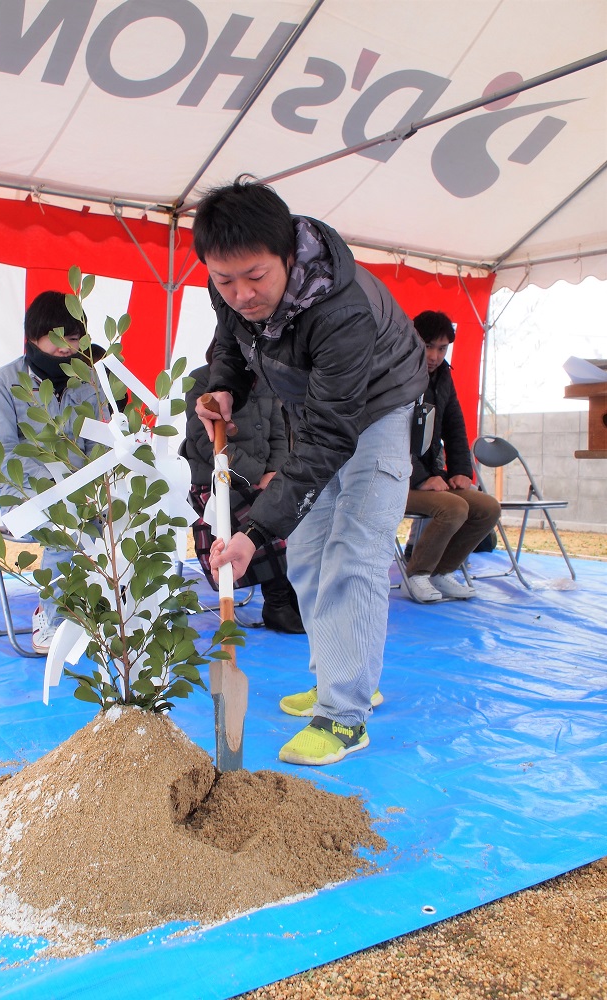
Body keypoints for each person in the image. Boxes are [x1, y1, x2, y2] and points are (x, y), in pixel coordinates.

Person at [192, 177, 427, 767]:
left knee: (355, 551)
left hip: (378, 405)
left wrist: (251, 533)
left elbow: (330, 437)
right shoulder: (232, 288)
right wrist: (224, 385)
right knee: (307, 551)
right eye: (224, 280)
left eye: (255, 277)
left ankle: (345, 713)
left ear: (287, 257)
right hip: (313, 406)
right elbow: (231, 340)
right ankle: (338, 678)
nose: (241, 294)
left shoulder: (340, 310)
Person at [0, 290, 106, 653]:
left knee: (123, 520)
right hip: (24, 494)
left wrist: (94, 486)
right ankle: (53, 622)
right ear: (33, 337)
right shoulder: (3, 383)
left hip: (83, 492)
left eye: (74, 338)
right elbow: (3, 453)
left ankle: (99, 615)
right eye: (58, 337)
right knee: (67, 526)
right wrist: (57, 485)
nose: (67, 347)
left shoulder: (89, 379)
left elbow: (97, 443)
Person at [182, 343, 304, 634]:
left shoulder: (267, 382)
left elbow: (279, 433)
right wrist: (257, 476)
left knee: (296, 507)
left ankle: (292, 596)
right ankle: (277, 603)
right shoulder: (201, 381)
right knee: (266, 511)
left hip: (262, 480)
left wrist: (274, 472)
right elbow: (205, 441)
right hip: (216, 482)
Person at [400, 311, 501, 603]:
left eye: (442, 349)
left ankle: (442, 572)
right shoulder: (396, 374)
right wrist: (421, 478)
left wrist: (460, 471)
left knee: (488, 508)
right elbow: (392, 436)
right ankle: (416, 575)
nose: (435, 356)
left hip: (431, 477)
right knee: (454, 508)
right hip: (396, 478)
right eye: (428, 346)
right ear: (413, 339)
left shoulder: (443, 376)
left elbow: (456, 428)